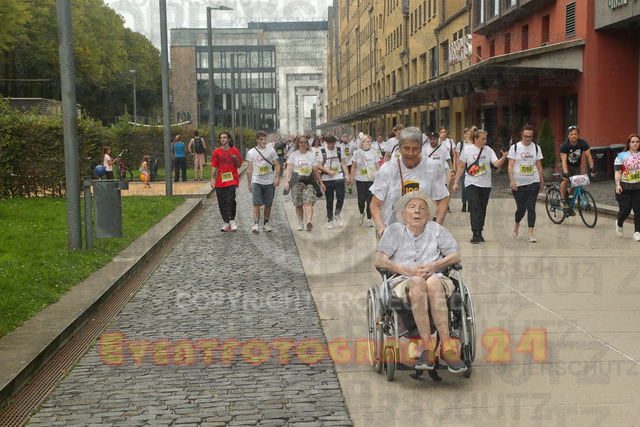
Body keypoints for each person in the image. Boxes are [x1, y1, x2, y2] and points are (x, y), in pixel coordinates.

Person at [374, 190, 466, 373]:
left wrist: (434, 265)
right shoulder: (394, 231)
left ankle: (447, 348)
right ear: (403, 213)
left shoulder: (436, 230)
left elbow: (455, 256)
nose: (417, 211)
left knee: (432, 282)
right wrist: (405, 269)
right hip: (403, 281)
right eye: (412, 207)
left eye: (422, 208)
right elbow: (379, 260)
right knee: (417, 281)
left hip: (436, 279)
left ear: (428, 214)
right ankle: (427, 348)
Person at [370, 127, 450, 238]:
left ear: (421, 149)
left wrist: (437, 227)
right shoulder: (388, 169)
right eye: (406, 148)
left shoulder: (432, 168)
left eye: (415, 148)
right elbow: (375, 204)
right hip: (392, 232)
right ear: (399, 148)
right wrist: (381, 227)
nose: (410, 153)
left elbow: (442, 199)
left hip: (421, 233)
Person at [453, 127, 508, 243]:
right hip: (471, 183)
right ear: (476, 139)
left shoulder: (488, 150)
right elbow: (461, 166)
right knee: (474, 207)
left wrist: (503, 157)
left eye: (486, 139)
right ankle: (475, 233)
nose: (485, 141)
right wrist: (456, 182)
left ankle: (480, 231)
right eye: (483, 139)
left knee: (482, 208)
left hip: (485, 184)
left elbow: (496, 164)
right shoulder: (467, 150)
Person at [507, 124, 544, 243]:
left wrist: (542, 182)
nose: (528, 139)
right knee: (521, 208)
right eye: (526, 136)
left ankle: (530, 233)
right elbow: (510, 166)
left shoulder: (536, 148)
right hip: (518, 183)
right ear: (522, 135)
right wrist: (512, 181)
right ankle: (516, 224)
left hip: (533, 181)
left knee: (531, 206)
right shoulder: (515, 148)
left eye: (530, 137)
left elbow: (539, 166)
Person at [284, 136, 324, 231]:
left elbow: (315, 170)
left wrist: (321, 183)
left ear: (307, 144)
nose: (303, 144)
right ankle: (300, 223)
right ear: (298, 144)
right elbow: (289, 169)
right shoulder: (293, 155)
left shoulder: (311, 155)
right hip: (296, 181)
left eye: (305, 142)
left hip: (308, 181)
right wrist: (286, 182)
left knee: (308, 202)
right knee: (298, 204)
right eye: (301, 142)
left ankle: (308, 222)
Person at [246, 131, 281, 233]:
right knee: (256, 203)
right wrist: (249, 183)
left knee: (268, 204)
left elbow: (277, 165)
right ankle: (256, 224)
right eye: (261, 139)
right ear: (257, 140)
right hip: (256, 181)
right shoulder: (251, 152)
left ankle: (266, 223)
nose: (263, 141)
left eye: (265, 139)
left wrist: (277, 177)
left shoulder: (271, 151)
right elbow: (249, 169)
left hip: (269, 181)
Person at [559, 126, 596, 216]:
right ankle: (563, 199)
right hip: (566, 165)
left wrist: (592, 168)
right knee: (565, 180)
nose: (573, 136)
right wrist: (566, 173)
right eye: (571, 134)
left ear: (578, 135)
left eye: (575, 134)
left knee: (575, 184)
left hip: (576, 166)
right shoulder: (565, 145)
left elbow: (589, 156)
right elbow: (564, 161)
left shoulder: (582, 143)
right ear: (568, 136)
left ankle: (569, 200)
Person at [210, 132, 242, 232]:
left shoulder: (234, 150)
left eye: (224, 137)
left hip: (232, 180)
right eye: (221, 138)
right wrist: (212, 178)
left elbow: (239, 165)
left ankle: (232, 220)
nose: (222, 139)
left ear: (229, 139)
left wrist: (236, 159)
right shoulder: (216, 152)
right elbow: (213, 165)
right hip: (220, 181)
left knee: (231, 200)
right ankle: (226, 222)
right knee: (221, 202)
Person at [318, 134, 352, 228]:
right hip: (327, 178)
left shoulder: (339, 150)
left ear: (335, 142)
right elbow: (319, 166)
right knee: (329, 200)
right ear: (326, 142)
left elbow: (344, 164)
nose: (331, 146)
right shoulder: (322, 151)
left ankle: (337, 213)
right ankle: (330, 220)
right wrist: (328, 171)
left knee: (341, 197)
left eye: (333, 143)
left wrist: (347, 176)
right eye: (329, 144)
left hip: (339, 176)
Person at [350, 134, 381, 226]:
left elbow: (377, 166)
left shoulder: (374, 152)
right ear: (362, 142)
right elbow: (353, 167)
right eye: (367, 142)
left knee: (370, 200)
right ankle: (361, 213)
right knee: (361, 199)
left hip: (371, 180)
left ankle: (369, 219)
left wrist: (379, 176)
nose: (369, 143)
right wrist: (351, 178)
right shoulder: (357, 153)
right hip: (360, 179)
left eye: (370, 142)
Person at [421, 131, 452, 224]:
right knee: (429, 198)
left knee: (440, 198)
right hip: (428, 178)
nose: (432, 141)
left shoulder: (443, 149)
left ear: (437, 139)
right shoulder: (425, 149)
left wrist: (452, 171)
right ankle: (430, 216)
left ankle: (438, 217)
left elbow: (449, 160)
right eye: (431, 139)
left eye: (434, 139)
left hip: (440, 178)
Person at [614, 134, 640, 241]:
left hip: (638, 187)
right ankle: (619, 223)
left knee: (638, 210)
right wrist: (618, 185)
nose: (635, 144)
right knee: (625, 210)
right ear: (629, 143)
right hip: (625, 187)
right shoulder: (621, 156)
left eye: (637, 141)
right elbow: (618, 172)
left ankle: (637, 232)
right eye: (633, 142)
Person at [454, 128, 473, 212]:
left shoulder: (473, 144)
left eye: (468, 133)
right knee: (464, 186)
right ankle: (464, 203)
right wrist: (457, 167)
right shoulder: (460, 144)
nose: (467, 135)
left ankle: (470, 204)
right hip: (463, 167)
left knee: (471, 186)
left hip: (471, 167)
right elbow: (457, 156)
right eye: (466, 133)